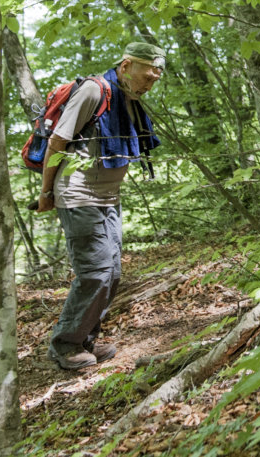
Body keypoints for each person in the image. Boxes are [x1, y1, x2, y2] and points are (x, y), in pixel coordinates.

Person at [36, 41, 164, 371]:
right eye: (145, 77)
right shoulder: (95, 91)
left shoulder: (129, 100)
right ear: (125, 66)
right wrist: (46, 192)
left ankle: (85, 340)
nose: (149, 85)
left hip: (107, 198)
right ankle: (65, 345)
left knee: (113, 273)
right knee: (95, 272)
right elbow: (58, 141)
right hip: (78, 195)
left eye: (154, 80)